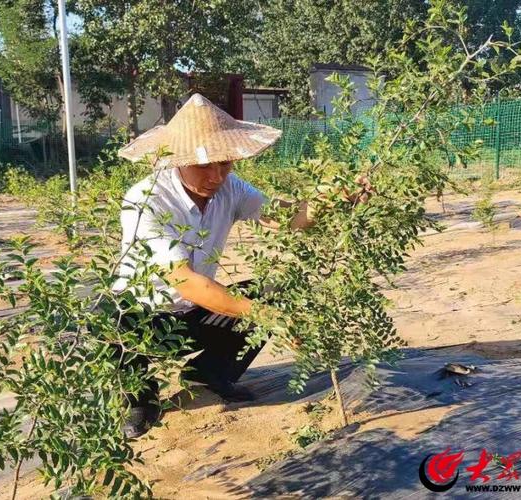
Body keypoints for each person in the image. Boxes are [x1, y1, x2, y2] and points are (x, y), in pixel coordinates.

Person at [115, 93, 371, 437]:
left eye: (225, 163)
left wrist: (335, 198)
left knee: (273, 293)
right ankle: (140, 399)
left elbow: (287, 218)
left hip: (192, 314)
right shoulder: (146, 199)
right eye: (205, 165)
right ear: (177, 160)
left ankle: (206, 376)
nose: (217, 175)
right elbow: (184, 280)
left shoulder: (230, 188)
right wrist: (264, 317)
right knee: (107, 318)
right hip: (144, 320)